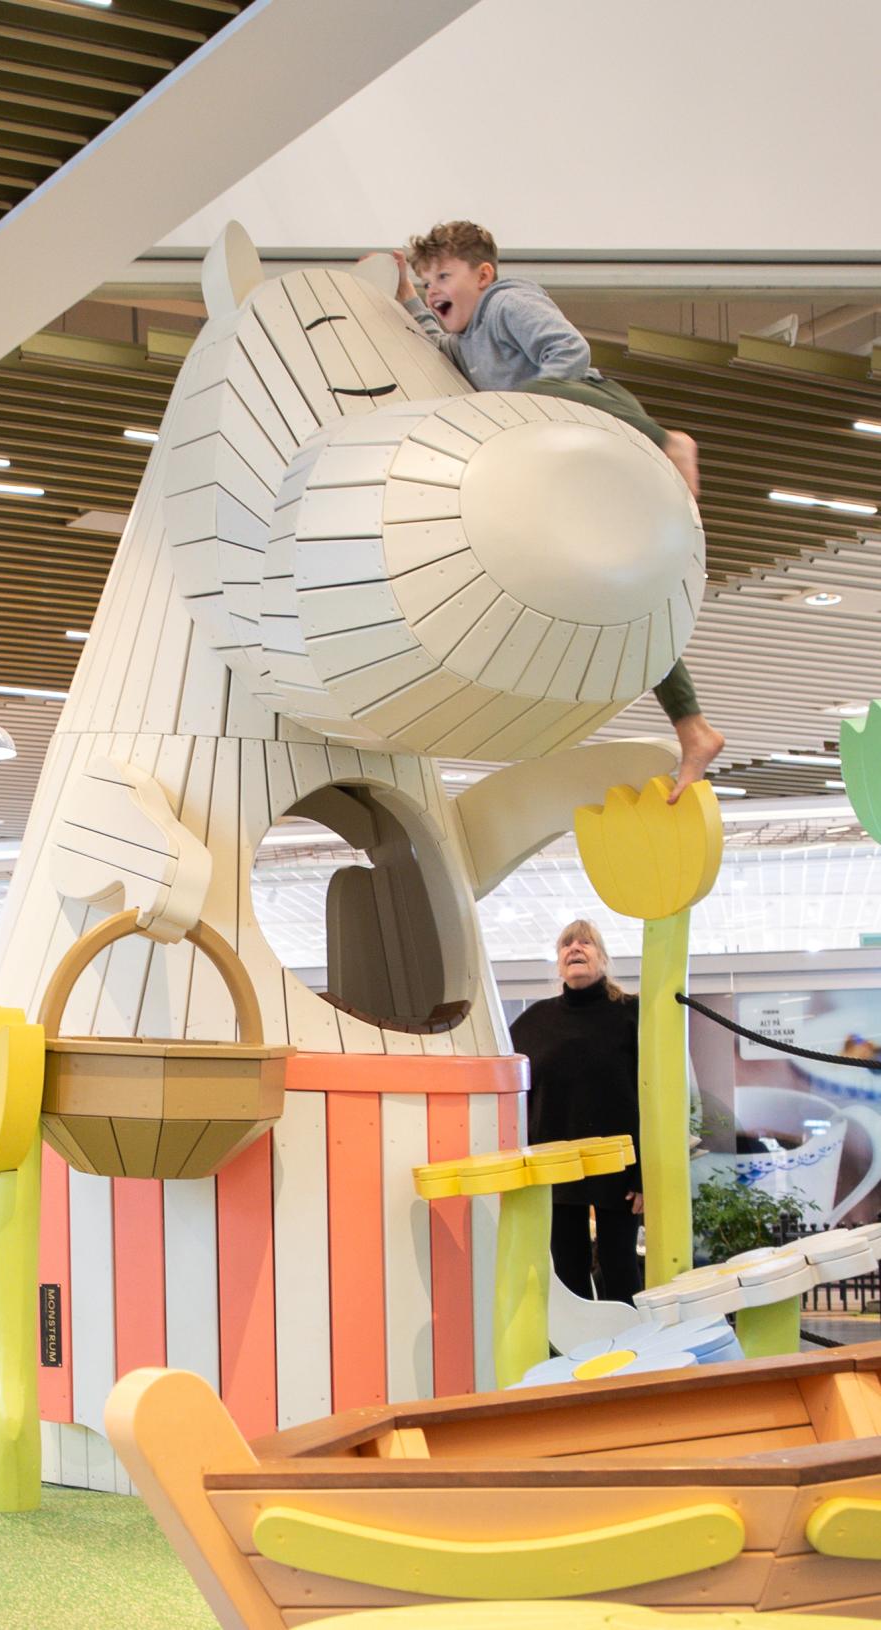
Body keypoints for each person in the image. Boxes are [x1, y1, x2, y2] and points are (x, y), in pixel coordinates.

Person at [394, 220, 725, 804]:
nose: (433, 288)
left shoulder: (507, 302)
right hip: (563, 461)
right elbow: (432, 340)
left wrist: (522, 414)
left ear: (483, 275)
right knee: (625, 610)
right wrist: (405, 299)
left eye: (443, 276)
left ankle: (667, 440)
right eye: (426, 281)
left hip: (595, 413)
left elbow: (569, 353)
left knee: (523, 400)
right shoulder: (462, 338)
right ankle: (693, 726)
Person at [509, 919, 643, 1305]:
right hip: (555, 1166)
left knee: (620, 1266)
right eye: (567, 945)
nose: (575, 949)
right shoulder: (534, 1021)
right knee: (567, 1270)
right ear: (558, 963)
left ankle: (632, 1357)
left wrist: (644, 1174)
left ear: (602, 958)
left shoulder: (632, 1014)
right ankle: (575, 1360)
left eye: (585, 943)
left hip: (619, 1167)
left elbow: (652, 1095)